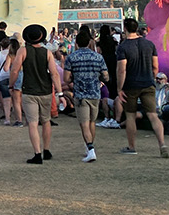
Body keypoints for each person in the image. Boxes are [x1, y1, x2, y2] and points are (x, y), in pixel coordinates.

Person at [115, 18, 168, 158]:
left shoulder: (123, 47)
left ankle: (132, 146)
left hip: (130, 85)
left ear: (125, 28)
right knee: (153, 115)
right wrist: (152, 77)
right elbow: (155, 66)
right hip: (148, 83)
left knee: (131, 116)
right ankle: (162, 144)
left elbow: (122, 70)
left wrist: (119, 88)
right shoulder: (149, 45)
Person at [62, 28, 108, 162]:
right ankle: (90, 147)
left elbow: (66, 78)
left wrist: (74, 79)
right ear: (89, 42)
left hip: (81, 94)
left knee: (84, 123)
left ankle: (90, 149)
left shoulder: (72, 58)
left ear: (76, 43)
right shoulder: (98, 57)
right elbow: (105, 76)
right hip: (95, 93)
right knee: (92, 122)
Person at [19, 25, 62, 164]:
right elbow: (54, 74)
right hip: (46, 90)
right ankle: (47, 150)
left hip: (29, 90)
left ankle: (37, 153)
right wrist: (60, 92)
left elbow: (14, 70)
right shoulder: (47, 52)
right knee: (46, 120)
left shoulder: (23, 51)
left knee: (32, 122)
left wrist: (12, 84)